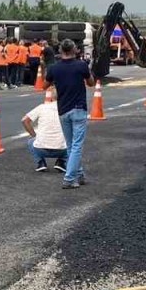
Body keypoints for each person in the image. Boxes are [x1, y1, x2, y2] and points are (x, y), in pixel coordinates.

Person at [45, 39, 95, 189]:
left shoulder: (54, 68)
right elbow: (91, 83)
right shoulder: (81, 65)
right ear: (75, 50)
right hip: (79, 108)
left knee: (70, 145)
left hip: (63, 110)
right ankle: (69, 178)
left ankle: (79, 175)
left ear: (60, 50)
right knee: (77, 146)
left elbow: (44, 85)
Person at [21, 98, 68, 173]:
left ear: (52, 98)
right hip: (62, 149)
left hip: (40, 149)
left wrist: (34, 135)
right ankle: (61, 162)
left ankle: (40, 162)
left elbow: (24, 120)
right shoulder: (67, 108)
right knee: (75, 141)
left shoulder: (42, 107)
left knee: (31, 141)